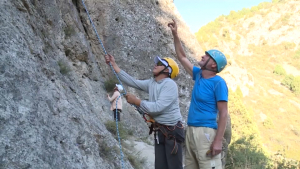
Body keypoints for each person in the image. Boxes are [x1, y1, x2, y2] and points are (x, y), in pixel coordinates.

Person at [105, 54, 185, 169]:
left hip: (172, 131)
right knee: (160, 166)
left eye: (159, 64)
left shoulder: (170, 84)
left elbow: (158, 107)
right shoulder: (152, 83)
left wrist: (137, 101)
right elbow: (133, 82)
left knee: (174, 167)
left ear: (167, 70)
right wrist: (114, 65)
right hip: (161, 130)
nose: (155, 65)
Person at [168, 19, 229, 169]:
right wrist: (175, 34)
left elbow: (223, 112)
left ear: (213, 64)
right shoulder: (199, 75)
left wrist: (218, 141)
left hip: (206, 133)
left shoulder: (218, 83)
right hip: (191, 130)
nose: (202, 57)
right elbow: (182, 57)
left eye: (206, 56)